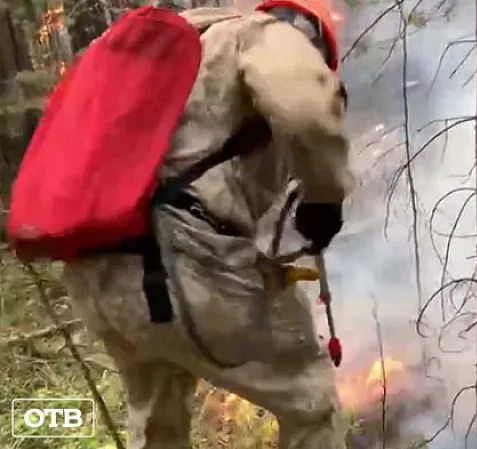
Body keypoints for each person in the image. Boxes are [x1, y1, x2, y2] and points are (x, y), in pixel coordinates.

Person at [59, 1, 355, 448]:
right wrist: (325, 197)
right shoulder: (264, 34)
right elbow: (305, 108)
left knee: (158, 418)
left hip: (96, 267)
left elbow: (179, 173)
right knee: (312, 400)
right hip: (173, 261)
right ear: (313, 36)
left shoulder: (181, 50)